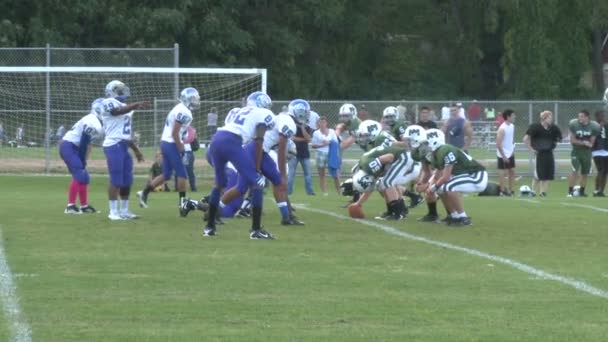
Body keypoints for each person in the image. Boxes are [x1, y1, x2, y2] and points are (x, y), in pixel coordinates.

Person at [219, 99, 303, 226]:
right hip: (255, 151)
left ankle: (287, 217)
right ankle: (213, 211)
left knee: (275, 183)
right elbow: (281, 148)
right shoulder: (289, 122)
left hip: (259, 151)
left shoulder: (282, 117)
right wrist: (283, 173)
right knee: (242, 188)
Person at [204, 91, 275, 239]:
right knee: (256, 183)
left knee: (219, 184)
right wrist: (256, 169)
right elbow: (259, 142)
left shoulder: (240, 110)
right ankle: (256, 230)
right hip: (232, 141)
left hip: (216, 140)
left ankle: (209, 228)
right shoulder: (262, 113)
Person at [137, 87, 199, 214]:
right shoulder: (184, 111)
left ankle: (144, 192)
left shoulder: (179, 107)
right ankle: (182, 205)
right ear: (188, 99)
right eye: (194, 99)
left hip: (166, 143)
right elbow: (175, 131)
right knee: (182, 174)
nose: (196, 101)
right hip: (171, 144)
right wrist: (180, 146)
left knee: (166, 174)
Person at [420, 129, 488, 226]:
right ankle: (454, 216)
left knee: (449, 187)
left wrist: (432, 188)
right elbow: (438, 175)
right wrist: (430, 188)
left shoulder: (445, 149)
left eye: (426, 143)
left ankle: (464, 218)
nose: (424, 146)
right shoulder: (436, 155)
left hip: (476, 175)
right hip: (466, 176)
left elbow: (446, 177)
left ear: (434, 141)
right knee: (441, 189)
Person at [101, 80, 148, 220]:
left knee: (127, 180)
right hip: (113, 145)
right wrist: (136, 104)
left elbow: (125, 134)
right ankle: (113, 212)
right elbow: (116, 112)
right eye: (119, 89)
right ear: (111, 91)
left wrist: (136, 150)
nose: (122, 92)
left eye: (122, 89)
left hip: (123, 145)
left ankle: (125, 210)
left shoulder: (126, 106)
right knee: (116, 179)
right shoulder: (107, 102)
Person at [59, 99, 104, 214]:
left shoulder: (97, 122)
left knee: (84, 177)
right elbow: (84, 143)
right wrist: (82, 160)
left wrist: (85, 160)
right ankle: (70, 206)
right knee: (79, 174)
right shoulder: (92, 121)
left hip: (74, 148)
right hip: (68, 146)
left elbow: (89, 144)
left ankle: (84, 206)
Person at [349, 145, 415, 221]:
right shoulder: (365, 168)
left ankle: (398, 213)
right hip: (401, 156)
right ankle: (393, 212)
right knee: (382, 184)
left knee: (387, 183)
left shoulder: (369, 167)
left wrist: (386, 170)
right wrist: (358, 203)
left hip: (403, 156)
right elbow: (370, 189)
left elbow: (390, 157)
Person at [523, 110, 563, 197]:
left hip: (549, 153)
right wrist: (531, 149)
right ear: (544, 118)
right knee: (538, 173)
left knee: (548, 173)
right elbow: (525, 138)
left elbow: (559, 138)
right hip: (539, 153)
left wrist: (555, 142)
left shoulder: (553, 128)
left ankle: (543, 192)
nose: (551, 120)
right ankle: (533, 191)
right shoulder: (535, 127)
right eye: (549, 118)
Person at [567, 110, 601, 197]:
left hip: (587, 153)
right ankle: (570, 191)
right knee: (574, 171)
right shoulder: (574, 124)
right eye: (579, 116)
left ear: (587, 117)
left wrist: (589, 144)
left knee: (585, 173)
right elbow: (572, 140)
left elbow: (592, 142)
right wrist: (583, 143)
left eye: (582, 116)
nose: (579, 118)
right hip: (576, 151)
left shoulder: (594, 126)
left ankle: (582, 191)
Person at [288, 104, 315, 196]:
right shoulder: (292, 125)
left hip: (304, 153)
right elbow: (292, 138)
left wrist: (302, 127)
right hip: (294, 152)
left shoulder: (307, 127)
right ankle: (288, 191)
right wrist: (304, 139)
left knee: (308, 174)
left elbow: (308, 138)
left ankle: (310, 191)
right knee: (291, 173)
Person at [311, 116, 338, 195]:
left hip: (330, 154)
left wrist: (329, 143)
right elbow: (313, 145)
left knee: (335, 173)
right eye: (321, 122)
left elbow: (335, 142)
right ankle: (324, 191)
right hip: (320, 153)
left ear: (326, 123)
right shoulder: (316, 133)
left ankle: (338, 191)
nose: (322, 124)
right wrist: (322, 145)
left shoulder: (332, 131)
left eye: (324, 122)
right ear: (319, 123)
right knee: (322, 174)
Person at [496, 109, 516, 196]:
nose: (514, 117)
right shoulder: (502, 129)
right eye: (513, 115)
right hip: (502, 154)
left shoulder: (512, 126)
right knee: (502, 172)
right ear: (508, 117)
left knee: (512, 172)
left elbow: (510, 140)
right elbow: (498, 144)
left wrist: (511, 151)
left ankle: (511, 190)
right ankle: (502, 191)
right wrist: (504, 156)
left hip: (510, 152)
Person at [592, 110, 608, 196]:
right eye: (601, 116)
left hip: (602, 150)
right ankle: (598, 190)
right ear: (597, 117)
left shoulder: (604, 125)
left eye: (604, 116)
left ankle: (599, 190)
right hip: (600, 150)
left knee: (602, 171)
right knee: (602, 170)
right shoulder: (595, 126)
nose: (603, 117)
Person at [182, 126, 199, 192]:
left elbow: (194, 140)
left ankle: (193, 187)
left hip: (187, 152)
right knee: (178, 169)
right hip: (179, 151)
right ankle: (178, 187)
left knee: (189, 170)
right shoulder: (178, 129)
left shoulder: (191, 130)